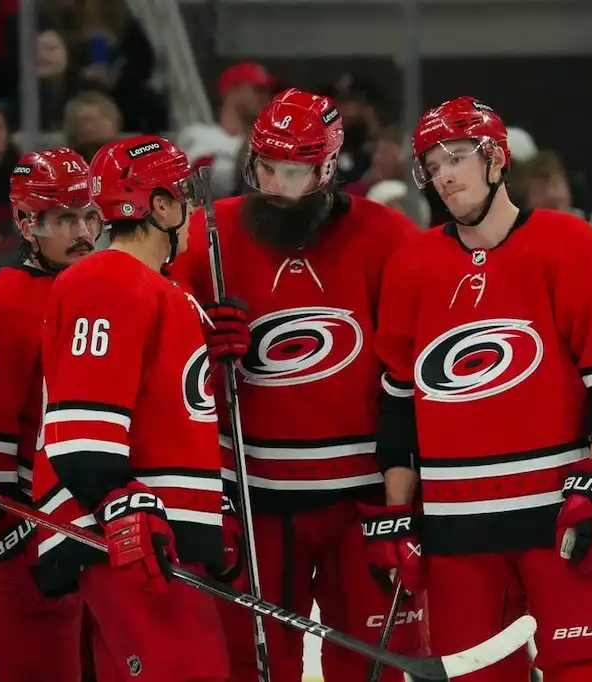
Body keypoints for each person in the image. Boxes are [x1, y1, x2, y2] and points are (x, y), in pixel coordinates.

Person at [371, 96, 592, 682]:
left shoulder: (569, 244)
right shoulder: (411, 267)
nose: (443, 174)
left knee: (587, 673)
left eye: (456, 156)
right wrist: (397, 513)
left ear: (496, 158)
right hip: (456, 531)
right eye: (432, 163)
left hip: (559, 517)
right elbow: (398, 404)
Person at [168, 88, 429, 682]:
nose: (279, 188)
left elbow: (417, 375)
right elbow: (155, 365)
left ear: (329, 169)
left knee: (371, 670)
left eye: (297, 172)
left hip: (362, 502)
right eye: (267, 169)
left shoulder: (389, 239)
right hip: (252, 498)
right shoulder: (202, 239)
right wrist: (197, 349)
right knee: (254, 669)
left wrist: (408, 501)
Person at [33, 135, 232, 682]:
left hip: (155, 536)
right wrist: (122, 505)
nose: (191, 210)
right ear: (160, 206)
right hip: (127, 537)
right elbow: (80, 430)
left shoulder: (158, 287)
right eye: (183, 196)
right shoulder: (106, 280)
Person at [0, 148, 99, 682]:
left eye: (89, 216)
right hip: (29, 540)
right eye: (65, 219)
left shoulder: (106, 289)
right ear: (25, 223)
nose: (83, 232)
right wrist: (6, 540)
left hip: (103, 535)